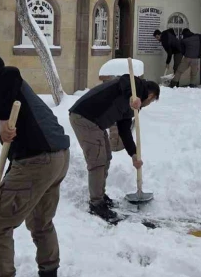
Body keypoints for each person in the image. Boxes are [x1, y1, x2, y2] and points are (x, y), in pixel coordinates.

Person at [0, 54, 70, 277]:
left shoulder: (1, 81)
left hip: (38, 161)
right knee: (40, 222)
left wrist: (4, 119)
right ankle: (49, 271)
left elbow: (9, 72)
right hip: (56, 157)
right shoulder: (3, 95)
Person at [69, 75, 160, 222]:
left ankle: (100, 195)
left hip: (95, 123)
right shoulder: (134, 84)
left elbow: (124, 130)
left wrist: (133, 154)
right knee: (97, 160)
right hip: (84, 117)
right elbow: (124, 80)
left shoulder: (132, 108)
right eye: (151, 101)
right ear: (151, 96)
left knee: (106, 156)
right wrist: (132, 97)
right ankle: (96, 204)